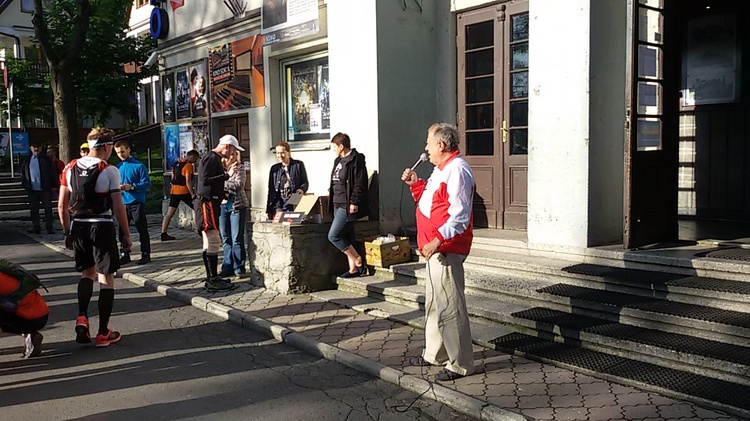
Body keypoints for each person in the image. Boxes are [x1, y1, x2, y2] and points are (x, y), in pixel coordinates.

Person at [401, 123, 475, 382]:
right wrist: (416, 185)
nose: (425, 148)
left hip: (446, 248)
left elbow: (460, 215)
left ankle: (460, 363)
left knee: (450, 306)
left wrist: (438, 240)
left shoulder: (457, 171)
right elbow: (431, 204)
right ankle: (435, 353)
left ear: (441, 146)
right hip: (434, 249)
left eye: (428, 143)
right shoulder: (440, 170)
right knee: (435, 304)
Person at [58, 127, 132, 347]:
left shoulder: (69, 168)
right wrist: (126, 234)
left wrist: (66, 232)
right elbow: (118, 207)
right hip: (102, 225)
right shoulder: (109, 170)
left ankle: (82, 317)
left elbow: (62, 206)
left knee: (87, 273)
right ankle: (102, 332)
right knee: (106, 277)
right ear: (107, 146)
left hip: (79, 225)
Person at [195, 134, 241, 291]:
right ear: (227, 146)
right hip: (206, 202)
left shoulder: (213, 158)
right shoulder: (211, 158)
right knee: (213, 240)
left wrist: (223, 194)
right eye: (233, 149)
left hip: (211, 202)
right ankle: (213, 278)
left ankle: (212, 277)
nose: (233, 152)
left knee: (209, 241)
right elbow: (205, 180)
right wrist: (227, 175)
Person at [327, 132, 369, 278]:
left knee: (334, 235)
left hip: (347, 204)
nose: (333, 150)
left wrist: (354, 201)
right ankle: (353, 270)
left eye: (334, 147)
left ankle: (358, 260)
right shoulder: (338, 160)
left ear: (341, 146)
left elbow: (360, 183)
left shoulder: (356, 159)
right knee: (347, 234)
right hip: (336, 202)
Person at [0, 259, 49, 358]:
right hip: (40, 314)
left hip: (27, 318)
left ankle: (28, 332)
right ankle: (30, 334)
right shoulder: (3, 267)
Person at [114, 140, 152, 265]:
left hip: (136, 202)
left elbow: (147, 184)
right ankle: (124, 253)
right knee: (122, 230)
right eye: (118, 152)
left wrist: (131, 187)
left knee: (141, 228)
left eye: (123, 151)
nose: (121, 154)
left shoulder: (139, 166)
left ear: (128, 150)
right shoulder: (117, 167)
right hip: (122, 202)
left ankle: (145, 253)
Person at [219, 150, 249, 278]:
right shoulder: (219, 168)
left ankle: (239, 267)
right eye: (231, 154)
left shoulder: (240, 168)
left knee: (236, 238)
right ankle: (227, 266)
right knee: (225, 238)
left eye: (235, 155)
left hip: (238, 206)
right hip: (222, 206)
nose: (233, 157)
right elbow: (214, 183)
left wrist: (223, 183)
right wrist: (225, 178)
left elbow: (239, 185)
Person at [161, 149, 199, 241]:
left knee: (169, 213)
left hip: (174, 191)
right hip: (184, 192)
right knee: (198, 209)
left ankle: (163, 233)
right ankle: (201, 229)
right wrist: (192, 194)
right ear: (192, 157)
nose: (196, 161)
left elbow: (173, 177)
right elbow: (188, 181)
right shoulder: (188, 166)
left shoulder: (176, 164)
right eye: (196, 158)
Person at [20, 141, 57, 234]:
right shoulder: (27, 160)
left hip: (45, 189)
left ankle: (49, 228)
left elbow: (52, 172)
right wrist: (25, 185)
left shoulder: (46, 159)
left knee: (48, 209)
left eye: (38, 147)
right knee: (34, 209)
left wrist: (53, 185)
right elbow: (23, 174)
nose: (36, 149)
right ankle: (36, 227)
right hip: (32, 190)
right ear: (30, 148)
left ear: (40, 148)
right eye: (34, 147)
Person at [266, 141, 309, 218]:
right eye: (277, 153)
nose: (280, 155)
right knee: (279, 226)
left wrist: (302, 189)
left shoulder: (298, 165)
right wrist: (269, 209)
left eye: (282, 153)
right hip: (279, 204)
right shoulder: (274, 169)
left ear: (289, 153)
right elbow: (271, 189)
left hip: (293, 203)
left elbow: (305, 182)